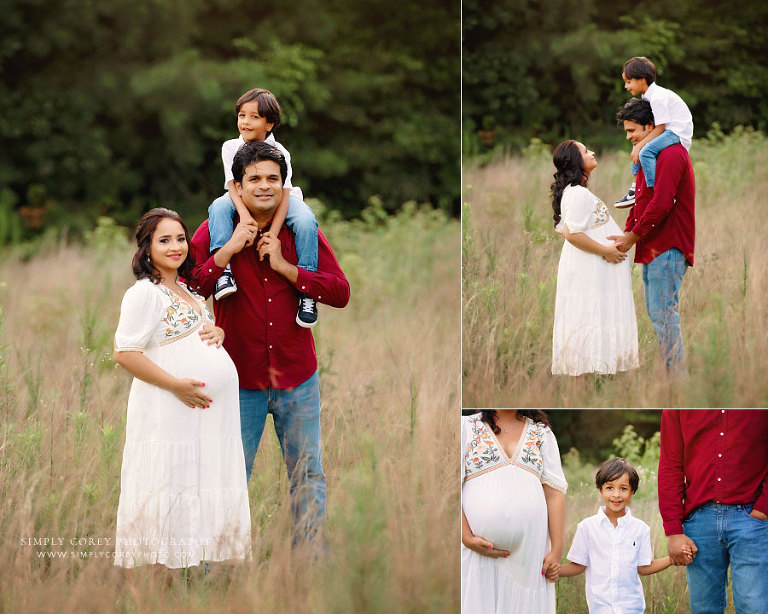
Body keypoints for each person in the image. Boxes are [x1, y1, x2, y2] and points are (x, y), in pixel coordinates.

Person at [191, 140, 350, 546]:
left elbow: (340, 291)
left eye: (273, 179)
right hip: (236, 379)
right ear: (237, 187)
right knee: (228, 477)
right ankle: (218, 569)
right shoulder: (215, 229)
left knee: (307, 474)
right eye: (254, 179)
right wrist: (228, 250)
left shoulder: (302, 229)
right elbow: (190, 287)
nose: (264, 186)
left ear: (284, 185)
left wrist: (285, 267)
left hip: (298, 378)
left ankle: (311, 567)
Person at [113, 208, 251, 569]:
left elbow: (189, 335)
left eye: (180, 238)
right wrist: (176, 386)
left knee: (194, 485)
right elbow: (125, 353)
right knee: (169, 486)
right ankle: (159, 587)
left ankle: (190, 579)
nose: (176, 247)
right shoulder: (144, 293)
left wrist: (217, 333)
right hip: (171, 410)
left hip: (202, 419)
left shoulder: (188, 288)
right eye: (164, 240)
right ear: (146, 249)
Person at [209, 88, 321, 328]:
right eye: (242, 115)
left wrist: (272, 233)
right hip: (241, 196)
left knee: (306, 220)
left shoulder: (281, 153)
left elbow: (284, 193)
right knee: (218, 207)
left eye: (254, 117)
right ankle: (224, 272)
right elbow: (232, 185)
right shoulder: (230, 147)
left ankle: (307, 291)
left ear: (269, 124)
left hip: (280, 198)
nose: (245, 122)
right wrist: (244, 216)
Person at [610, 98, 695, 372]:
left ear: (651, 125)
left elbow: (661, 204)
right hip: (653, 246)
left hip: (668, 246)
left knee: (664, 315)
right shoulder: (649, 155)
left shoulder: (670, 154)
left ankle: (676, 383)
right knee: (659, 314)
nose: (628, 137)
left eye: (632, 130)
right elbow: (643, 199)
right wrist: (627, 234)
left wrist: (631, 237)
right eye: (626, 131)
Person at [658, 409, 768, 613]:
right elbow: (670, 465)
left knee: (755, 608)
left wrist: (763, 508)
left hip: (751, 519)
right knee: (703, 609)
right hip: (699, 522)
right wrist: (673, 530)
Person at [461, 410, 567, 613]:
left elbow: (555, 493)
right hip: (476, 551)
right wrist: (466, 537)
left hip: (530, 553)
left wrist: (556, 551)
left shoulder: (541, 432)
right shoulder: (466, 426)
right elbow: (448, 487)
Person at [550, 140, 639, 376]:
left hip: (593, 270)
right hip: (589, 269)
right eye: (586, 151)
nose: (593, 152)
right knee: (588, 318)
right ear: (576, 160)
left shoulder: (578, 192)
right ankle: (589, 378)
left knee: (593, 317)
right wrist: (606, 251)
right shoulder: (578, 194)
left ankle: (597, 375)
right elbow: (571, 233)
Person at [558, 457, 690, 613]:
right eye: (609, 488)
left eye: (623, 488)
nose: (616, 495)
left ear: (632, 491)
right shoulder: (586, 527)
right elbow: (578, 565)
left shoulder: (641, 529)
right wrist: (553, 570)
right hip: (600, 609)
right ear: (600, 490)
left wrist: (672, 558)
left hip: (632, 608)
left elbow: (643, 567)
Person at [614, 56, 694, 208]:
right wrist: (638, 145)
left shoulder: (657, 97)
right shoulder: (647, 96)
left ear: (642, 80)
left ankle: (654, 191)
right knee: (638, 143)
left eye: (628, 81)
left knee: (645, 152)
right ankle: (634, 187)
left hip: (676, 132)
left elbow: (660, 127)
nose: (625, 86)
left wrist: (640, 146)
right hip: (668, 131)